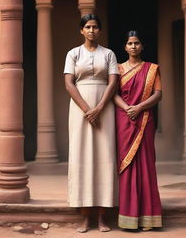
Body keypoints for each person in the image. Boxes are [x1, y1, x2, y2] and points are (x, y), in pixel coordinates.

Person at [64, 14, 119, 233]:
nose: (92, 30)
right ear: (81, 30)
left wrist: (99, 108)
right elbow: (69, 83)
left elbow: (113, 81)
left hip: (104, 107)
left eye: (95, 27)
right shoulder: (73, 53)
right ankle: (85, 216)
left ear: (100, 30)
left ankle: (103, 216)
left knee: (104, 156)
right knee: (81, 156)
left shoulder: (109, 54)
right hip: (80, 109)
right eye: (87, 27)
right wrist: (88, 110)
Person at [114, 30, 162, 230]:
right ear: (125, 47)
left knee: (146, 165)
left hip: (144, 120)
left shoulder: (152, 69)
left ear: (142, 46)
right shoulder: (117, 69)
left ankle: (148, 217)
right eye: (130, 43)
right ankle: (128, 217)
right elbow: (113, 94)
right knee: (126, 167)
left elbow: (158, 94)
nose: (133, 46)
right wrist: (127, 108)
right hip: (124, 120)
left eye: (137, 43)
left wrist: (140, 107)